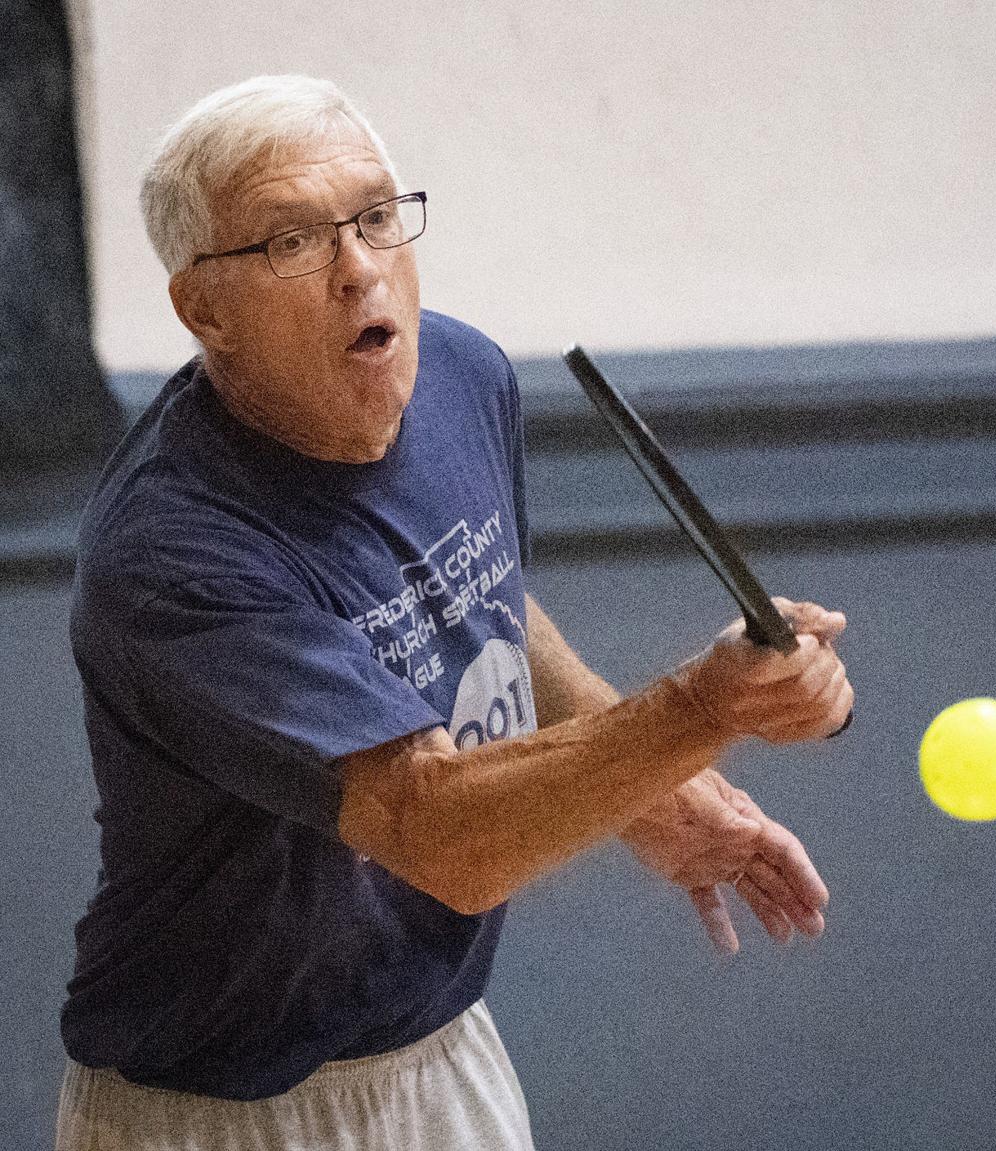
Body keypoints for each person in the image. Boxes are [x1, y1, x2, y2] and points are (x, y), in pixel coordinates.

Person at [54, 75, 854, 1151]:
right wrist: (699, 710)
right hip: (217, 1109)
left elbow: (478, 596)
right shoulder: (174, 552)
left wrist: (650, 793)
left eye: (377, 217)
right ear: (204, 309)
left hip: (442, 1058)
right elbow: (439, 833)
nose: (359, 269)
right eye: (293, 242)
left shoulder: (460, 377)